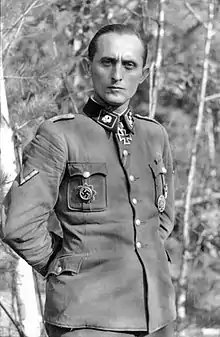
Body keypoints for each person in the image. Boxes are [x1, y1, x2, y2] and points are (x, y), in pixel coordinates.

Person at [1, 24, 176, 337]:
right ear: (88, 66)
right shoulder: (61, 135)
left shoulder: (154, 135)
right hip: (86, 316)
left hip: (157, 315)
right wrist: (64, 266)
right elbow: (19, 224)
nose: (117, 75)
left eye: (129, 65)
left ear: (144, 74)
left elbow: (162, 217)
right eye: (107, 62)